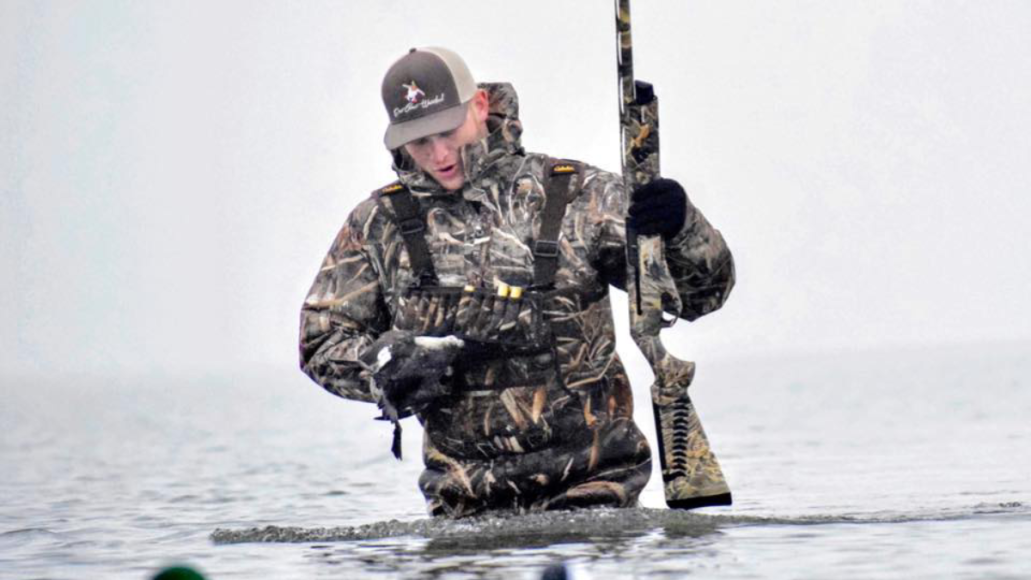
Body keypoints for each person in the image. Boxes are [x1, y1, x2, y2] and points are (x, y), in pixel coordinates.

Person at [299, 47, 734, 518]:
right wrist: (386, 368)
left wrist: (682, 227)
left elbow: (702, 295)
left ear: (480, 105)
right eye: (420, 141)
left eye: (447, 131)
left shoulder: (576, 195)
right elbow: (320, 341)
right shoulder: (377, 224)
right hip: (461, 515)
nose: (439, 154)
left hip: (599, 502)